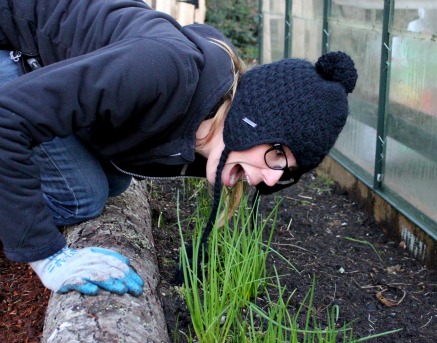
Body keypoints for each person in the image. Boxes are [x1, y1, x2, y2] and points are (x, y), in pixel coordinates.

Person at [0, 0, 357, 297]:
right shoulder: (165, 71)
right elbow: (8, 119)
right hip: (11, 40)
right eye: (278, 152)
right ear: (257, 119)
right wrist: (49, 258)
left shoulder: (207, 114)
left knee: (113, 183)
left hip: (40, 63)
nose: (268, 177)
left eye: (286, 172)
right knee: (82, 195)